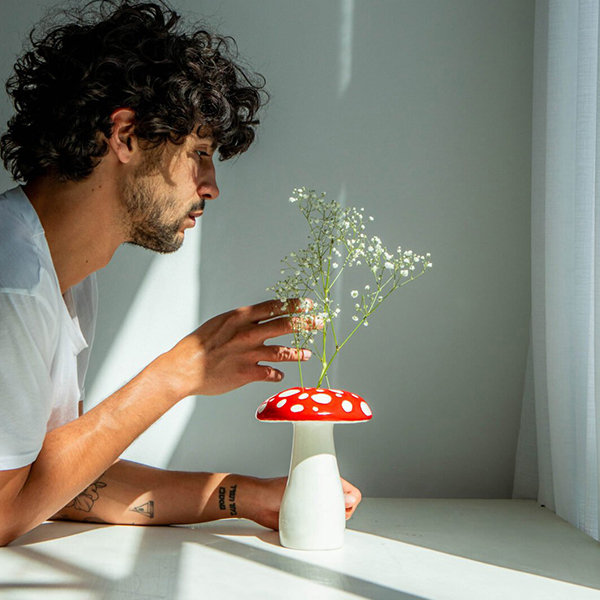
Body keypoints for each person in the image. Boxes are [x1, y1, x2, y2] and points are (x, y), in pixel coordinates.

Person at [0, 0, 361, 546]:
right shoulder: (13, 280)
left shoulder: (63, 273)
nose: (211, 185)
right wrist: (175, 374)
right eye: (199, 152)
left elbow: (50, 480)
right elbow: (4, 512)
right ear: (123, 136)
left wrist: (246, 494)